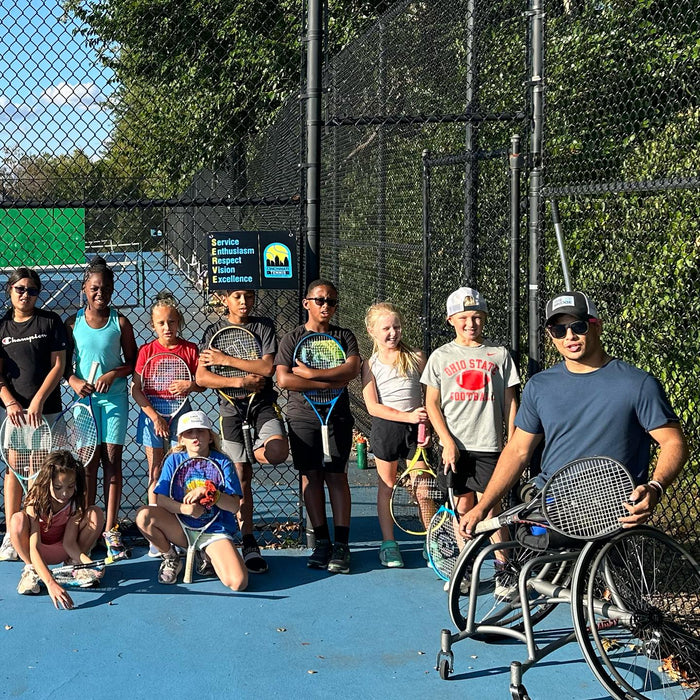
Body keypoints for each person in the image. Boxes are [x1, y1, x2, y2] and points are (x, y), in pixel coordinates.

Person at [459, 290, 689, 540]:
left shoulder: (638, 383)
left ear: (597, 326)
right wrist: (483, 507)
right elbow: (518, 451)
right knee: (519, 556)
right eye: (559, 330)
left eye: (578, 326)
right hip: (551, 504)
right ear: (551, 336)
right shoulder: (539, 386)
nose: (569, 336)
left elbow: (673, 442)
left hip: (610, 511)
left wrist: (655, 488)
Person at [421, 287, 519, 576]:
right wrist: (446, 441)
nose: (470, 324)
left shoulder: (499, 355)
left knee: (491, 510)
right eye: (463, 317)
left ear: (484, 318)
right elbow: (431, 404)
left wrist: (512, 441)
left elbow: (510, 401)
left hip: (490, 445)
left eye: (476, 317)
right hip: (455, 449)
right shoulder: (440, 357)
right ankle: (463, 570)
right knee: (463, 506)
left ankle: (505, 571)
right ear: (451, 319)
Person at [196, 289, 288, 574]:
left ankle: (254, 451)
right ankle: (245, 541)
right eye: (237, 296)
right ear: (225, 300)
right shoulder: (213, 331)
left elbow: (267, 367)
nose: (244, 302)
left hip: (262, 406)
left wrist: (226, 359)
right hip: (230, 411)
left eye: (248, 296)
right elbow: (202, 376)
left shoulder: (263, 326)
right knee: (239, 478)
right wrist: (239, 381)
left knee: (277, 452)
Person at [275, 279, 361, 574]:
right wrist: (330, 380)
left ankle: (342, 545)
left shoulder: (344, 335)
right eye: (320, 300)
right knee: (310, 477)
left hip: (337, 417)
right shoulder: (292, 338)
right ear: (306, 303)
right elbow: (284, 380)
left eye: (332, 302)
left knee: (337, 476)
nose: (326, 306)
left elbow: (352, 369)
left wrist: (311, 373)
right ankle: (322, 543)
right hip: (302, 418)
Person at [64, 257, 137, 556]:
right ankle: (88, 526)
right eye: (94, 288)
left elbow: (132, 363)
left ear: (112, 290)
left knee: (112, 462)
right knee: (87, 465)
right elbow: (63, 365)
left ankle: (111, 529)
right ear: (84, 289)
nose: (100, 294)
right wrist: (73, 381)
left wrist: (113, 373)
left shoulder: (120, 322)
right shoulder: (73, 323)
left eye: (105, 288)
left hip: (114, 401)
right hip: (85, 403)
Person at [135, 410, 248, 591]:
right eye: (189, 432)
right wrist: (184, 509)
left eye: (201, 431)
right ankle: (171, 557)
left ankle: (206, 554)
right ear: (181, 439)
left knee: (238, 583)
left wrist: (212, 493)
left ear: (210, 437)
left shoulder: (223, 462)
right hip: (180, 528)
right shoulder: (173, 460)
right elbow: (161, 500)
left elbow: (234, 506)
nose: (195, 436)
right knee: (144, 516)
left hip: (213, 531)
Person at [0, 268, 67, 562]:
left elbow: (58, 366)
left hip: (46, 411)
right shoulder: (0, 327)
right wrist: (11, 403)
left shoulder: (50, 322)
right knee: (14, 469)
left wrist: (38, 399)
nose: (26, 294)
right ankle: (11, 533)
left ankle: (37, 528)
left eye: (32, 290)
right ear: (10, 291)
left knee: (42, 470)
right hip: (15, 414)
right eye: (20, 289)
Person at [361, 301, 429, 568]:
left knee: (423, 489)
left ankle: (431, 541)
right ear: (372, 331)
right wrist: (406, 416)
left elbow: (432, 396)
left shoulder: (417, 357)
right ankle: (389, 545)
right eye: (386, 328)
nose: (393, 333)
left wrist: (428, 425)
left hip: (417, 431)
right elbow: (372, 406)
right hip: (387, 429)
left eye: (397, 327)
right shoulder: (370, 365)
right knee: (386, 486)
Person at [132, 291, 202, 515]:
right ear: (153, 326)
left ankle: (179, 518)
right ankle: (155, 522)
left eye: (171, 322)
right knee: (155, 471)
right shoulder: (146, 351)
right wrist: (155, 418)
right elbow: (136, 389)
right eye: (161, 323)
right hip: (152, 416)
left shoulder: (190, 350)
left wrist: (189, 386)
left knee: (179, 468)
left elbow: (202, 383)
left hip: (181, 414)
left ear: (179, 322)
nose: (166, 327)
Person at [9, 450, 105, 609]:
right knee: (17, 520)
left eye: (71, 486)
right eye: (58, 487)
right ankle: (31, 570)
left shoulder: (74, 502)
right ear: (47, 482)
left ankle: (75, 566)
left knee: (95, 513)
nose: (65, 493)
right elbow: (34, 547)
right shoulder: (35, 503)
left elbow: (69, 543)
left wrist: (89, 564)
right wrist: (50, 582)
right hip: (37, 552)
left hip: (64, 549)